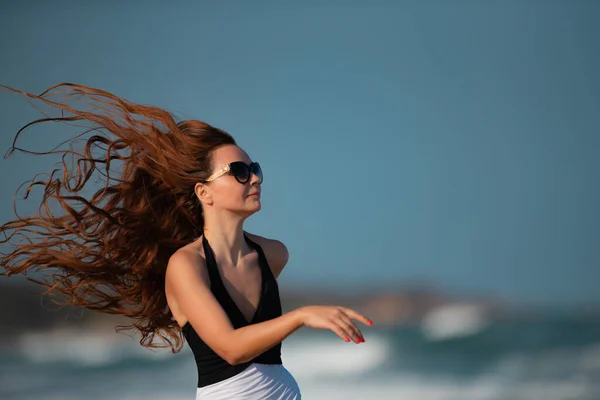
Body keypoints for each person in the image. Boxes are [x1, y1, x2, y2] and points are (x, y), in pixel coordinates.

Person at [0, 83, 372, 399]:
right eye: (240, 173)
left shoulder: (273, 254)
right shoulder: (186, 265)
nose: (255, 179)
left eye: (255, 169)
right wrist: (302, 315)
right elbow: (229, 348)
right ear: (204, 193)